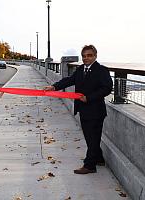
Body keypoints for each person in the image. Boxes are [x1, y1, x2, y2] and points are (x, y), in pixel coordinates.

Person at [44, 45, 113, 174]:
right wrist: (54, 87)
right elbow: (69, 80)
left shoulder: (102, 70)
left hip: (96, 111)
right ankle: (99, 158)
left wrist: (89, 98)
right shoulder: (81, 69)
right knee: (91, 137)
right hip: (83, 110)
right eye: (84, 56)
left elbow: (107, 88)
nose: (86, 58)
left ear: (95, 56)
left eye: (89, 55)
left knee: (92, 138)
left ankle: (90, 165)